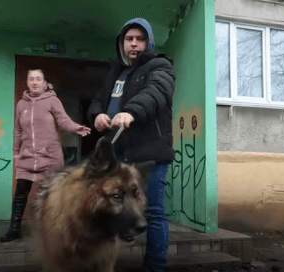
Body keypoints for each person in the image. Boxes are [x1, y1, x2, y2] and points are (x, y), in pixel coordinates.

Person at [86, 18, 176, 272]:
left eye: (140, 39)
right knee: (111, 210)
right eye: (129, 39)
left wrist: (131, 112)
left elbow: (157, 92)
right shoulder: (116, 73)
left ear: (149, 42)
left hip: (151, 153)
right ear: (121, 43)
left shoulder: (160, 66)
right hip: (120, 156)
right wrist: (97, 115)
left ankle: (156, 266)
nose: (134, 44)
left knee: (154, 213)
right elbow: (98, 100)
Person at [0, 69, 91, 243]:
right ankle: (14, 229)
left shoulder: (52, 100)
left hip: (50, 155)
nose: (35, 82)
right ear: (27, 82)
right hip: (27, 155)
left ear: (44, 82)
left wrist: (76, 127)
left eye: (38, 79)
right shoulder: (21, 104)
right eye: (31, 79)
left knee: (50, 194)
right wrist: (15, 152)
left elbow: (63, 119)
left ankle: (52, 231)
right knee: (20, 193)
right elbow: (18, 130)